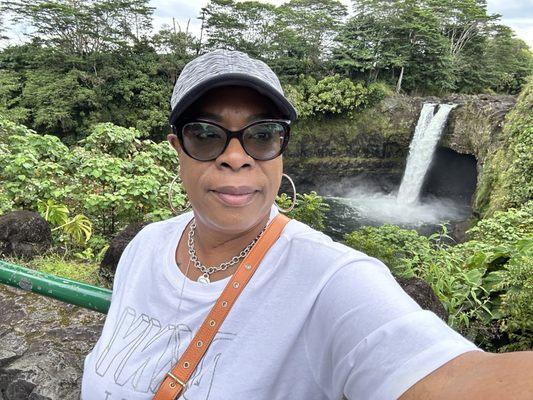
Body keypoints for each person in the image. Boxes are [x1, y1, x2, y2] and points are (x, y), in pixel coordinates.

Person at [81, 49, 533, 400]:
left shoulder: (333, 279)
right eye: (206, 134)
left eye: (262, 135)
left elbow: (459, 378)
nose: (235, 156)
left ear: (282, 147)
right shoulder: (145, 246)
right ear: (177, 146)